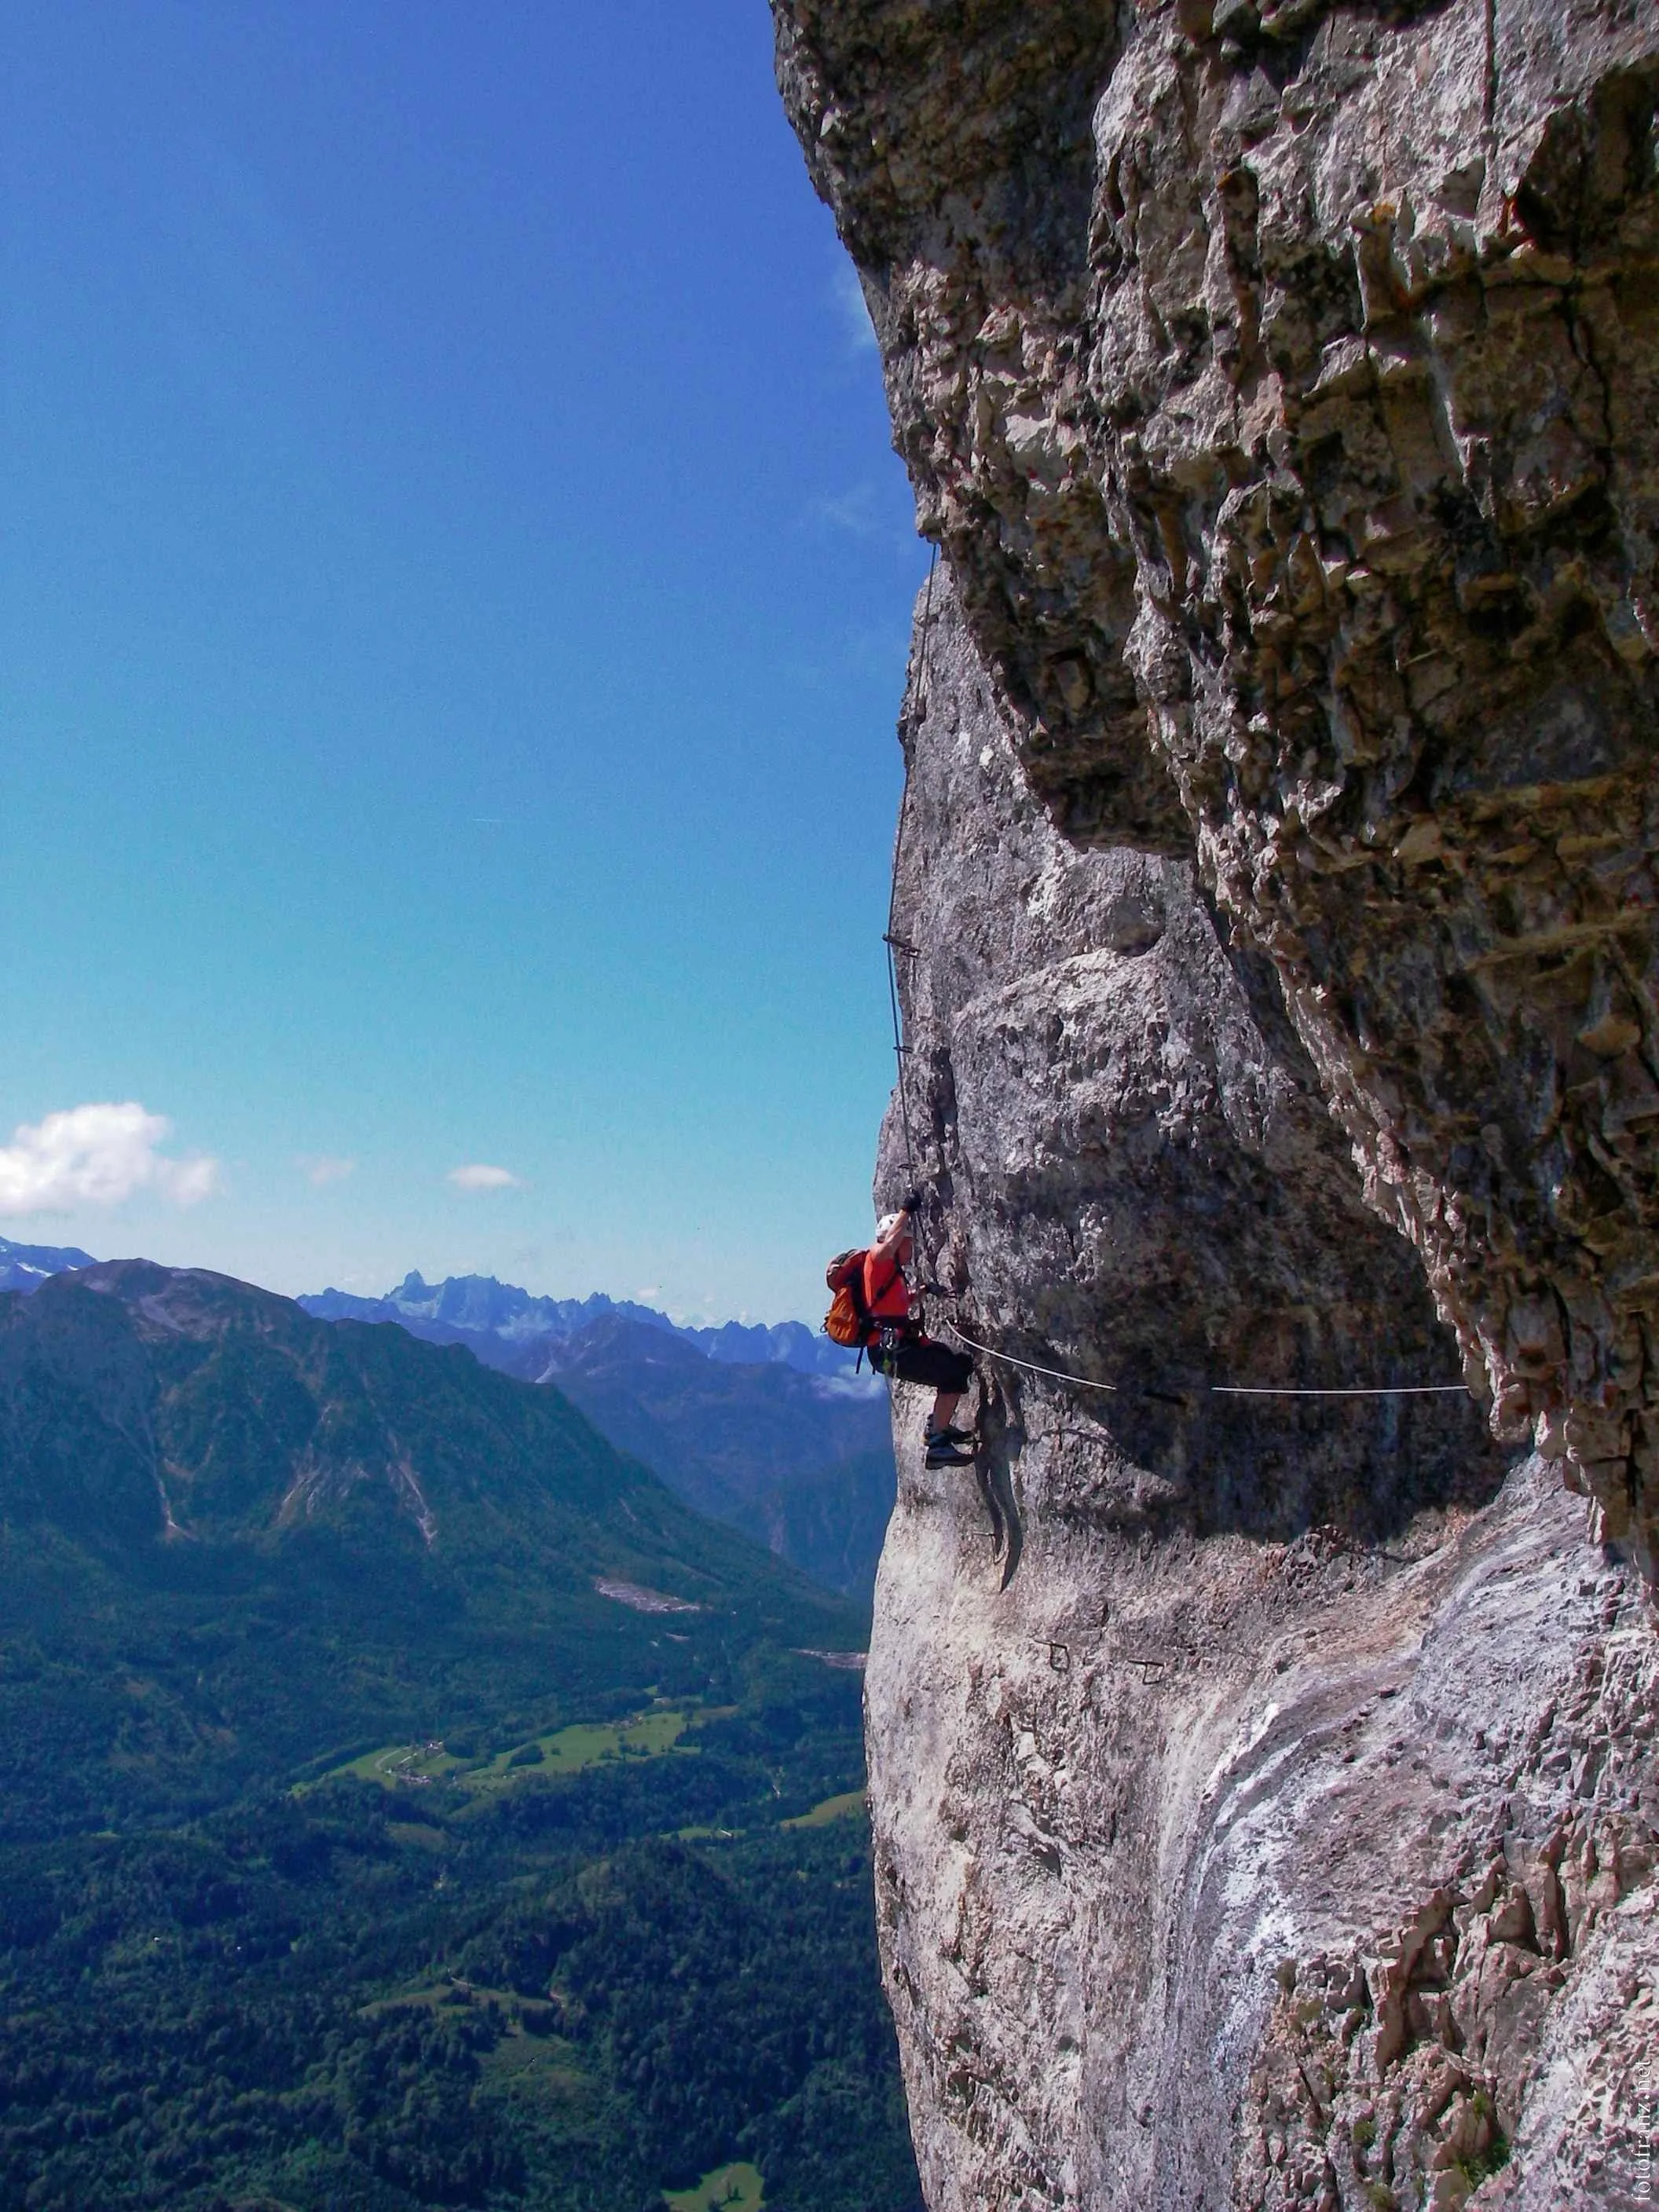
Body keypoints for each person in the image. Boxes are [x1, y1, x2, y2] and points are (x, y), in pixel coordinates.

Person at [862, 1198, 976, 1467]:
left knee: (960, 1362)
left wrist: (923, 1292)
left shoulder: (890, 1272)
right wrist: (907, 1209)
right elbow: (888, 1243)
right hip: (891, 1351)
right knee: (952, 1373)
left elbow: (895, 1305)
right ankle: (937, 1444)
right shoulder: (877, 1260)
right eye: (908, 1243)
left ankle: (938, 1425)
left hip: (897, 1347)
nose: (911, 1249)